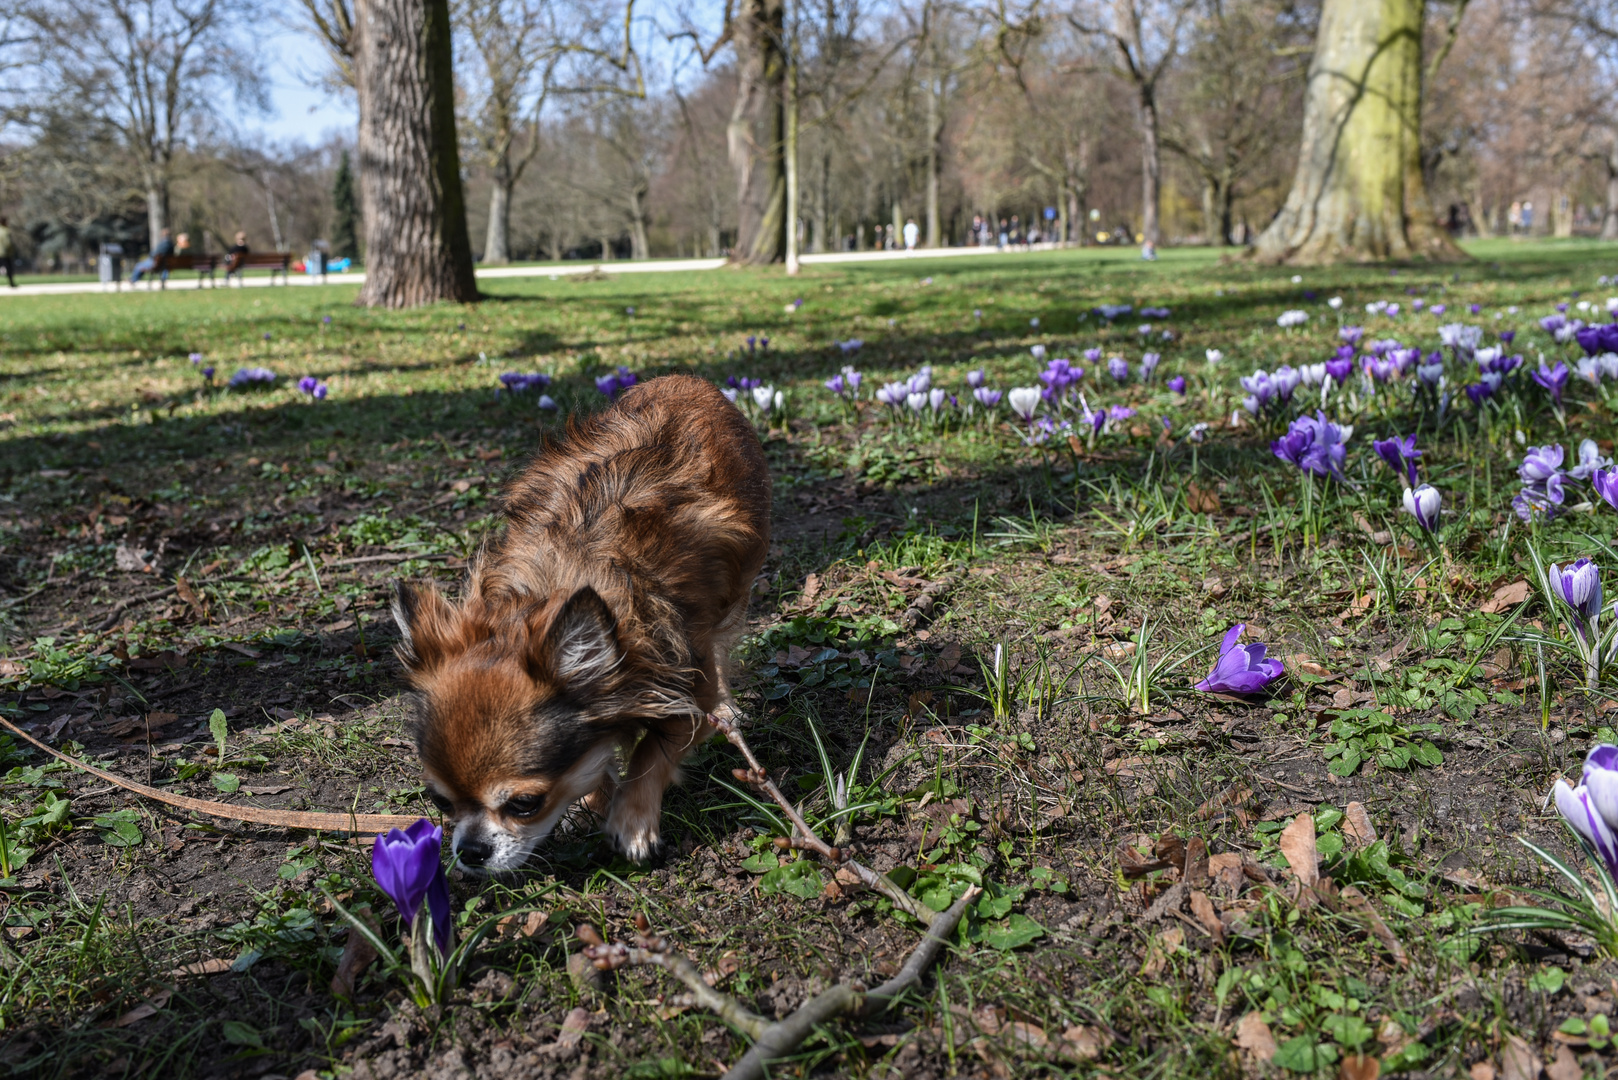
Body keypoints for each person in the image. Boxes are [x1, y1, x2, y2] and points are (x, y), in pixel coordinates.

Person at [0, 216, 15, 287]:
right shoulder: (5, 231)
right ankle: (11, 283)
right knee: (9, 268)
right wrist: (11, 250)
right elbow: (7, 243)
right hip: (4, 253)